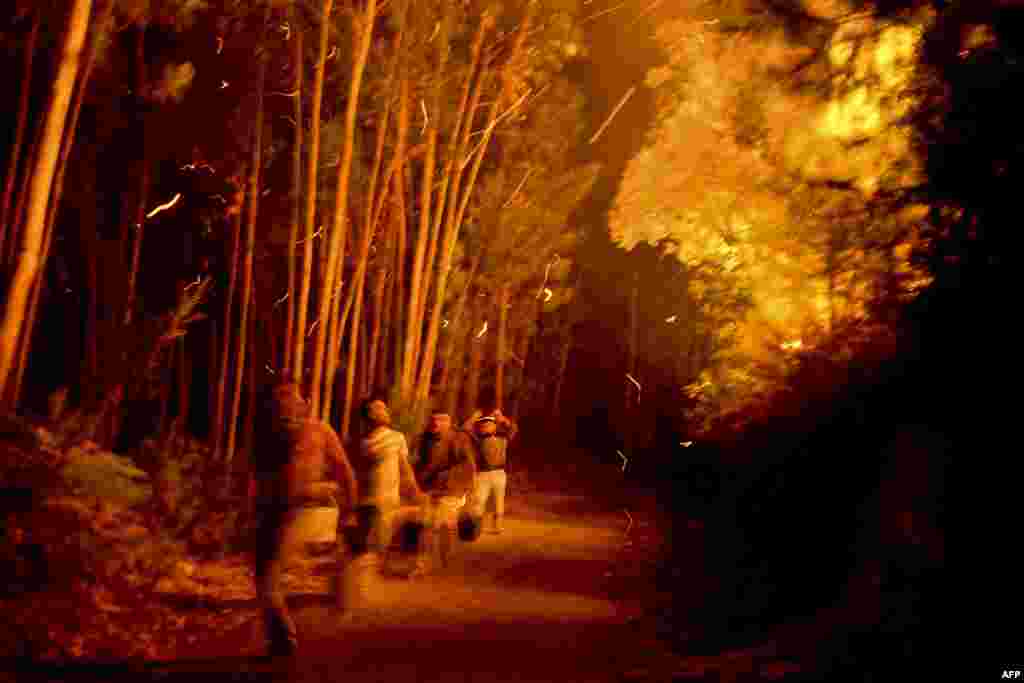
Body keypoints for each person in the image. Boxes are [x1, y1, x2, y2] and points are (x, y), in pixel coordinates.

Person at [252, 379, 356, 657]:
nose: (285, 403)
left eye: (290, 397)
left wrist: (350, 512)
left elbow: (344, 470)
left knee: (269, 577)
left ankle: (284, 637)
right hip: (276, 511)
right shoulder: (269, 434)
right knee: (265, 577)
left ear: (303, 402)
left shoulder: (319, 431)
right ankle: (281, 636)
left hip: (305, 511)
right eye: (279, 398)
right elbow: (260, 476)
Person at [346, 395, 427, 601]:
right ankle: (360, 584)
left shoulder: (396, 437)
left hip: (389, 499)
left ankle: (410, 565)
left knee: (409, 523)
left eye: (384, 408)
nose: (384, 411)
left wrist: (415, 493)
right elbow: (353, 472)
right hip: (367, 502)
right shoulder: (359, 442)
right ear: (369, 415)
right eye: (378, 408)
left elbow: (405, 469)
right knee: (369, 548)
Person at [411, 409, 477, 570]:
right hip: (428, 488)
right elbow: (416, 463)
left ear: (449, 422)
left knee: (445, 525)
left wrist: (450, 479)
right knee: (426, 525)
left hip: (451, 490)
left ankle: (445, 560)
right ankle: (422, 562)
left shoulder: (459, 439)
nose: (435, 423)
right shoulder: (423, 439)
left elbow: (468, 466)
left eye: (441, 420)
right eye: (433, 419)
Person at [464, 387, 517, 535]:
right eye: (483, 425)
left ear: (495, 426)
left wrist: (502, 418)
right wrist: (475, 417)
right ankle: (476, 527)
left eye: (489, 424)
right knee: (479, 500)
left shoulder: (503, 437)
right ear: (480, 428)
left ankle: (497, 526)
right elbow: (466, 428)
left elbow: (513, 428)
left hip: (500, 473)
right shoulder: (477, 440)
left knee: (498, 500)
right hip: (483, 474)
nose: (485, 426)